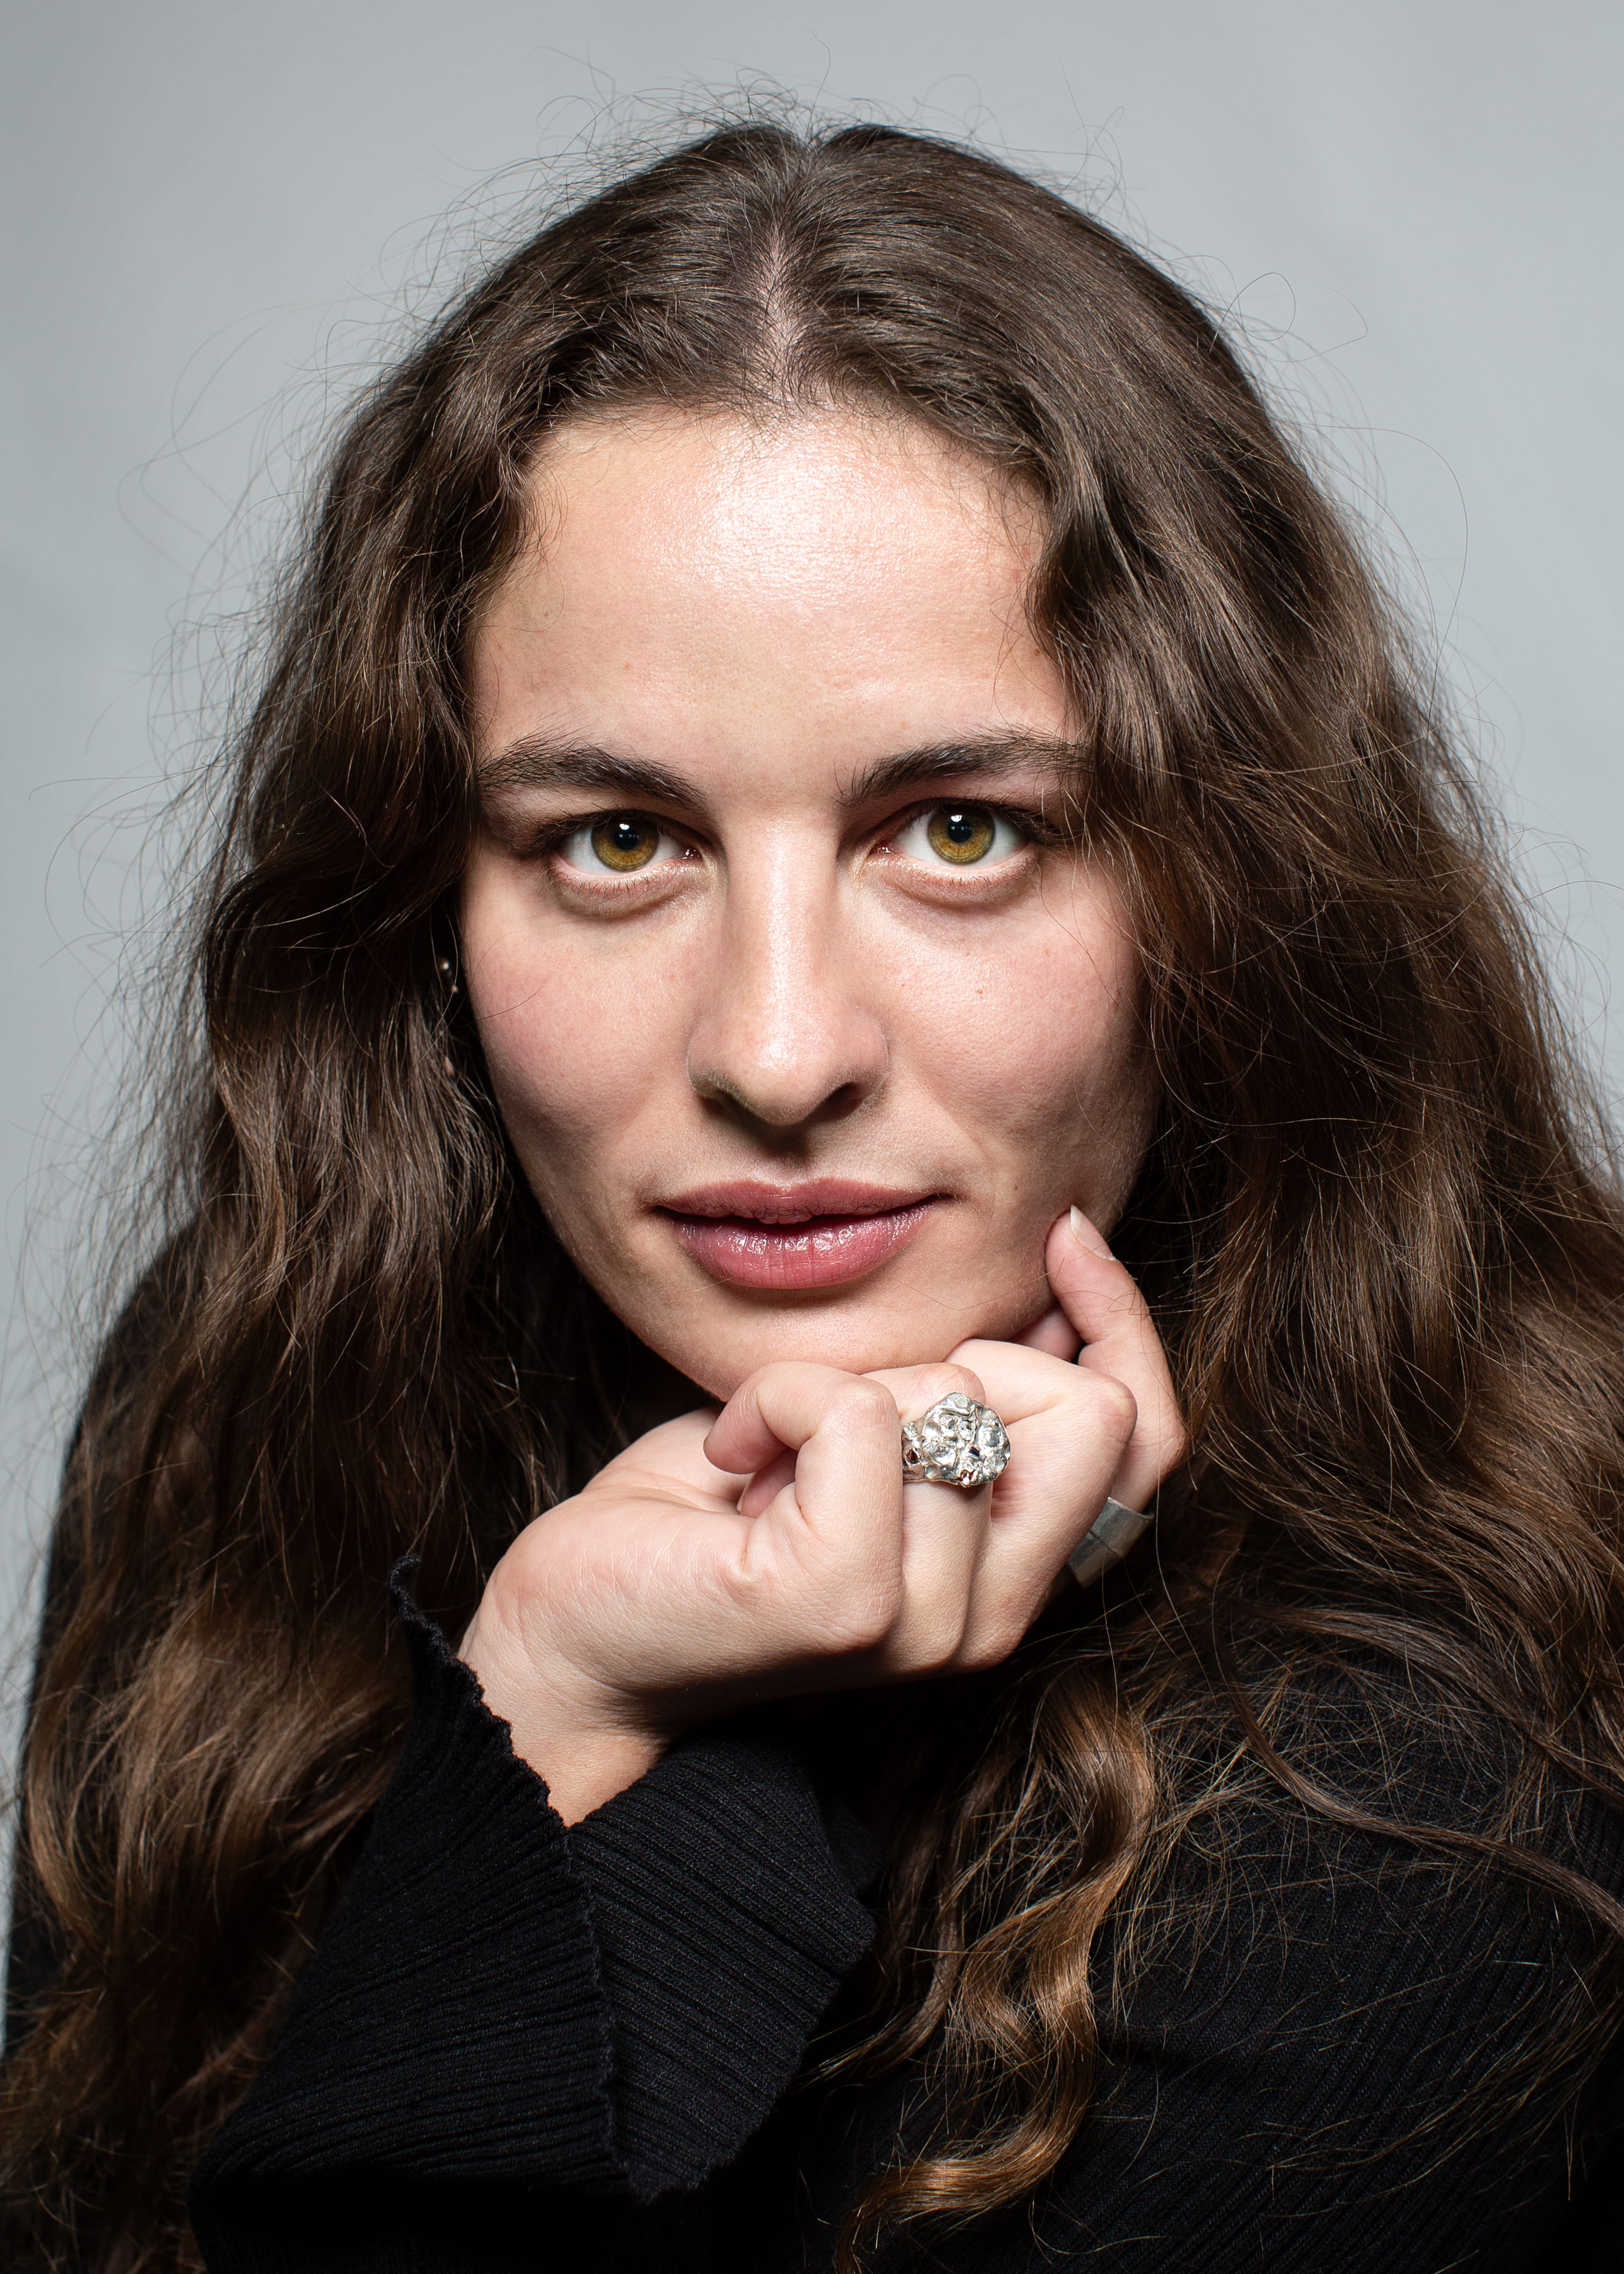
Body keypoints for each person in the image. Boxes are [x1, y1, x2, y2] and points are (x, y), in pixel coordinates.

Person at [3, 116, 1623, 2274]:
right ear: (423, 904)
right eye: (616, 840)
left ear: (1224, 888)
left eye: (959, 829)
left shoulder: (1432, 1779)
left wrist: (737, 1739)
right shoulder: (253, 1400)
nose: (775, 1053)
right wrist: (552, 1697)